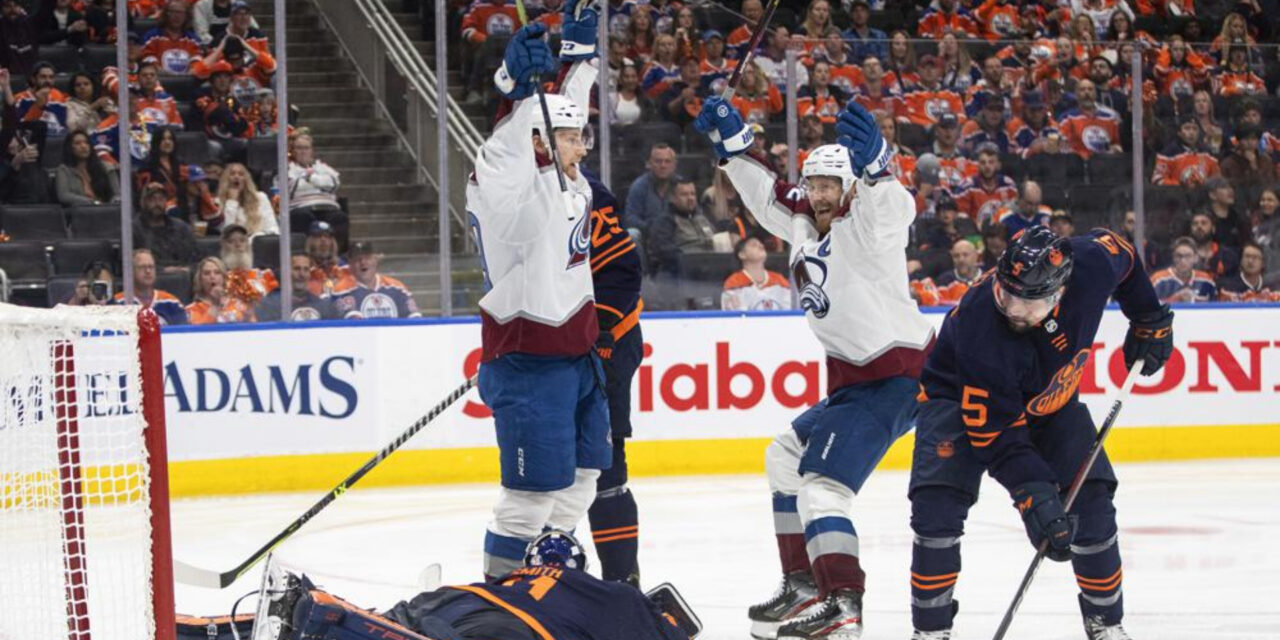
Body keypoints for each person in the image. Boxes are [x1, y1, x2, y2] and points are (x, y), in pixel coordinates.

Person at [696, 97, 935, 639]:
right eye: (815, 183)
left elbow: (896, 211)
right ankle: (803, 584)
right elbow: (768, 196)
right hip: (858, 382)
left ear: (851, 187)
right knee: (785, 457)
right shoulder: (808, 214)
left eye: (833, 184)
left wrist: (878, 168)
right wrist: (732, 146)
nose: (821, 194)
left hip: (896, 377)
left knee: (823, 489)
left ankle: (844, 604)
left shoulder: (868, 224)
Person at [908, 226, 1170, 640]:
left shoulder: (1090, 264)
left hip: (1051, 402)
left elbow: (1125, 256)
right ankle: (931, 632)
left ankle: (1106, 623)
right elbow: (996, 435)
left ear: (1060, 291)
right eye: (1006, 294)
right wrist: (1035, 497)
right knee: (937, 509)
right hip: (957, 402)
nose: (1013, 309)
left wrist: (1148, 318)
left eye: (1027, 302)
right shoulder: (982, 326)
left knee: (1093, 502)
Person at [462, 7, 608, 579]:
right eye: (568, 138)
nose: (580, 146)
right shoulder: (504, 189)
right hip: (528, 360)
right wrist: (516, 91)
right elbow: (509, 151)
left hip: (577, 360)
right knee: (528, 500)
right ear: (539, 142)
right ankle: (497, 599)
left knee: (580, 485)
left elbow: (564, 108)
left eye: (581, 136)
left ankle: (550, 584)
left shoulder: (571, 182)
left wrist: (581, 56)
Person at [255, 531, 694, 640]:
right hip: (512, 628)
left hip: (458, 597)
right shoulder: (605, 593)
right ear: (580, 565)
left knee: (399, 620)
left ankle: (207, 626)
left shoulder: (514, 579)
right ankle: (325, 614)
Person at [582, 165, 646, 586]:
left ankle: (622, 582)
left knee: (605, 467)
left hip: (606, 343)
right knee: (552, 472)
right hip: (552, 348)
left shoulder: (587, 192)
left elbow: (623, 269)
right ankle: (551, 580)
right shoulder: (509, 185)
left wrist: (602, 328)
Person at [287, 131, 348, 248]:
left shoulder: (322, 167)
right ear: (293, 151)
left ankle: (338, 258)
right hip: (301, 207)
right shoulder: (288, 168)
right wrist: (321, 183)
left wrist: (310, 178)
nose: (303, 151)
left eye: (306, 148)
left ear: (311, 151)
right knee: (302, 217)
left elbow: (334, 183)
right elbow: (292, 188)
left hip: (327, 206)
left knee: (339, 217)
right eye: (299, 148)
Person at [646, 178, 716, 277]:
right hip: (681, 273)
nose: (690, 198)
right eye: (684, 195)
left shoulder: (703, 218)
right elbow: (665, 253)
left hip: (712, 267)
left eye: (693, 194)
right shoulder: (664, 222)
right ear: (672, 198)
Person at [113, 248, 189, 325]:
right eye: (142, 267)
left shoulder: (171, 302)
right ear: (131, 271)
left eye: (151, 267)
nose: (148, 271)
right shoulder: (117, 303)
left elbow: (185, 333)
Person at [134, 182, 199, 270]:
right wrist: (162, 270)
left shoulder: (181, 228)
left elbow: (195, 258)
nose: (157, 203)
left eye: (161, 199)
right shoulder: (134, 230)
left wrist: (187, 269)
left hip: (183, 276)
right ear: (144, 202)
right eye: (152, 199)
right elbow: (132, 263)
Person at [256, 252, 338, 321]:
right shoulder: (269, 305)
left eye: (306, 269)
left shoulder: (321, 305)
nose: (302, 274)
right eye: (297, 269)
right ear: (285, 271)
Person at [721, 237, 792, 311]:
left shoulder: (779, 280)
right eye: (753, 245)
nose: (761, 246)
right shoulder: (734, 282)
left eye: (761, 245)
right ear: (742, 254)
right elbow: (733, 314)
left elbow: (791, 308)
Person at [1057, 79, 1122, 159]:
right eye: (1082, 90)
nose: (1087, 92)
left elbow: (1117, 143)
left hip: (1105, 165)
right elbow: (1062, 144)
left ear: (1095, 94)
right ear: (1076, 94)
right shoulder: (1067, 118)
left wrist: (1116, 149)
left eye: (1090, 89)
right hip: (1079, 165)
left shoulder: (1110, 118)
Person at [624, 143, 680, 236]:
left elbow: (694, 214)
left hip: (678, 235)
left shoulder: (682, 185)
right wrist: (652, 227)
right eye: (658, 161)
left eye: (667, 161)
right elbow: (630, 219)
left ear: (674, 165)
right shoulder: (639, 186)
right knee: (632, 234)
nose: (663, 166)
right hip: (648, 235)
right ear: (649, 164)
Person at [954, 147, 1016, 227]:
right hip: (975, 235)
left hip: (1002, 235)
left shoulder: (1008, 185)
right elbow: (961, 218)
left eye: (991, 162)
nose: (987, 166)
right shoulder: (967, 187)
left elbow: (1016, 214)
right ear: (978, 165)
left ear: (998, 165)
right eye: (983, 163)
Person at [55, 130, 119, 206]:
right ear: (69, 147)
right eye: (77, 143)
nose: (83, 146)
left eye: (86, 143)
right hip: (80, 213)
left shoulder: (106, 167)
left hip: (107, 211)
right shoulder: (64, 170)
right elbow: (64, 195)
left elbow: (118, 195)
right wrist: (92, 202)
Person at [186, 256, 255, 324]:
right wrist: (215, 305)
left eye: (217, 272)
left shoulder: (238, 305)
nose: (212, 276)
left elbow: (254, 330)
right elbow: (199, 332)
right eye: (207, 273)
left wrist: (247, 316)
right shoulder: (192, 310)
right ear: (200, 280)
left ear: (224, 278)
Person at [217, 162, 279, 236]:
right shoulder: (218, 202)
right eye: (232, 174)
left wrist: (257, 237)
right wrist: (232, 202)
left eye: (241, 174)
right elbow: (227, 232)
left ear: (246, 180)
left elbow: (273, 228)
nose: (236, 177)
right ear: (226, 179)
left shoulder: (260, 197)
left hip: (260, 241)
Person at [1150, 236, 1218, 303]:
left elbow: (1217, 306)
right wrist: (1176, 298)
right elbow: (1147, 307)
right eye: (1179, 256)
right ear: (1173, 257)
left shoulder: (1206, 281)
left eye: (1188, 256)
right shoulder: (1158, 279)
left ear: (1196, 258)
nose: (1183, 260)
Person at [0, 125, 53, 204]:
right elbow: (3, 194)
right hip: (15, 209)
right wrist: (14, 167)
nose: (10, 145)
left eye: (11, 139)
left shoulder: (30, 154)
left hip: (43, 207)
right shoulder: (4, 164)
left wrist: (16, 126)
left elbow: (40, 126)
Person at [15, 61, 69, 135]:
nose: (48, 81)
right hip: (33, 140)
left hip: (58, 139)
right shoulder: (21, 98)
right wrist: (37, 106)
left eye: (51, 77)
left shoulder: (58, 95)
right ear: (33, 79)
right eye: (43, 77)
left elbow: (65, 124)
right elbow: (20, 128)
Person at [933, 238, 982, 305]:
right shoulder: (944, 280)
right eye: (956, 256)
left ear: (976, 256)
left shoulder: (988, 279)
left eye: (965, 255)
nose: (961, 260)